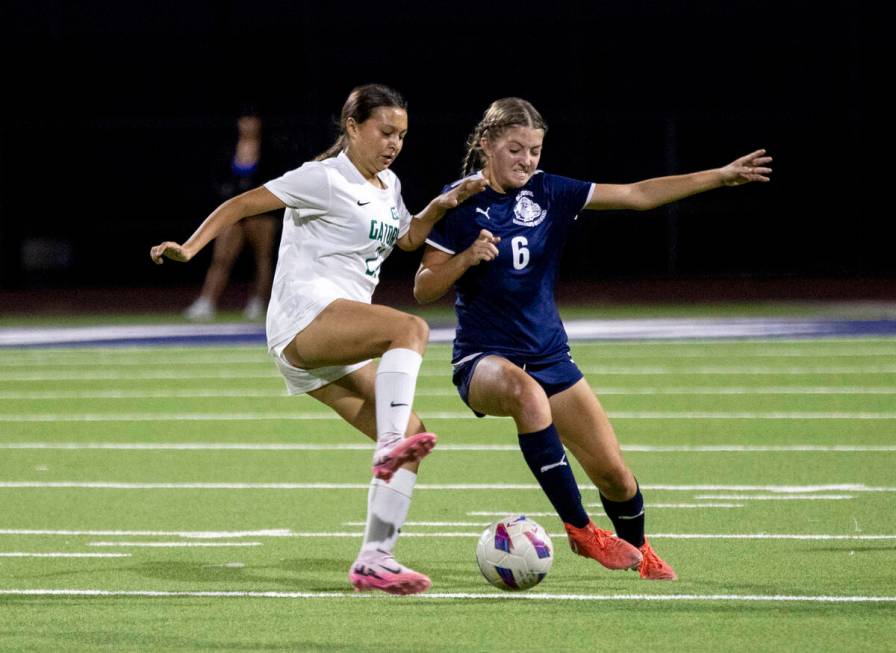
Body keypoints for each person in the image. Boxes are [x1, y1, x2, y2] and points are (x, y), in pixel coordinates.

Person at [414, 97, 773, 581]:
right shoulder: (458, 202)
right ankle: (581, 530)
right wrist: (465, 258)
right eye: (515, 148)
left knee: (615, 476)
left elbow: (636, 195)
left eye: (535, 150)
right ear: (486, 145)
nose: (526, 160)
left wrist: (720, 175)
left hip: (549, 355)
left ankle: (640, 550)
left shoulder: (550, 192)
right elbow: (423, 288)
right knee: (527, 395)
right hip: (483, 360)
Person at [151, 84, 487, 595]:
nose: (395, 142)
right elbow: (242, 203)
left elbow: (407, 239)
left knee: (413, 433)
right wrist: (192, 247)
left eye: (401, 135)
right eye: (385, 132)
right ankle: (391, 446)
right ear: (353, 127)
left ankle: (375, 557)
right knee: (409, 330)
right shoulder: (323, 178)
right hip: (304, 320)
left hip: (325, 344)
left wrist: (442, 205)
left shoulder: (387, 184)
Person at [183, 109, 279, 322]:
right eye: (244, 120)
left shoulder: (269, 150)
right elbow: (219, 178)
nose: (248, 125)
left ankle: (257, 302)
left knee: (262, 259)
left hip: (262, 212)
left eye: (252, 120)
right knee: (221, 258)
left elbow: (276, 179)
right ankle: (207, 301)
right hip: (236, 212)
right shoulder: (229, 150)